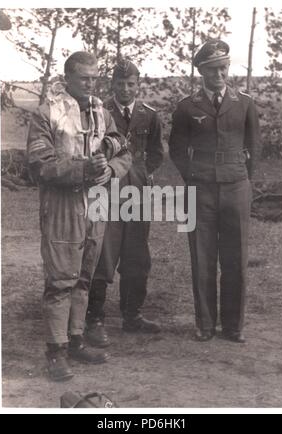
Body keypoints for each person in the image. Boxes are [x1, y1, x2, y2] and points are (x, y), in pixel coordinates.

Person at [27, 51, 132, 381]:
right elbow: (39, 164)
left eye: (94, 77)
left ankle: (75, 341)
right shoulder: (48, 112)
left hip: (96, 200)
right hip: (63, 203)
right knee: (61, 277)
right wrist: (80, 169)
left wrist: (109, 169)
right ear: (68, 77)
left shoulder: (101, 111)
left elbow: (121, 145)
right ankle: (55, 351)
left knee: (86, 273)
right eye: (84, 78)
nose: (91, 83)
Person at [169, 39, 261, 343]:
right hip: (200, 190)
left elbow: (254, 147)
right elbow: (177, 149)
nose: (219, 75)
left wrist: (243, 181)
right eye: (212, 70)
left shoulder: (244, 103)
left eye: (223, 68)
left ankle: (234, 326)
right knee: (202, 256)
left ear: (228, 68)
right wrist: (193, 177)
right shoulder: (187, 106)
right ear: (202, 72)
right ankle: (205, 324)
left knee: (236, 257)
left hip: (236, 187)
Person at [87, 60, 164, 347]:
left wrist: (142, 174)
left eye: (131, 83)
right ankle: (94, 319)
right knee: (103, 252)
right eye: (120, 84)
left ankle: (132, 315)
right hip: (106, 190)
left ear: (138, 85)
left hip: (138, 192)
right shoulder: (100, 113)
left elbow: (156, 153)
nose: (126, 89)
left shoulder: (149, 116)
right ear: (112, 85)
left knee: (136, 253)